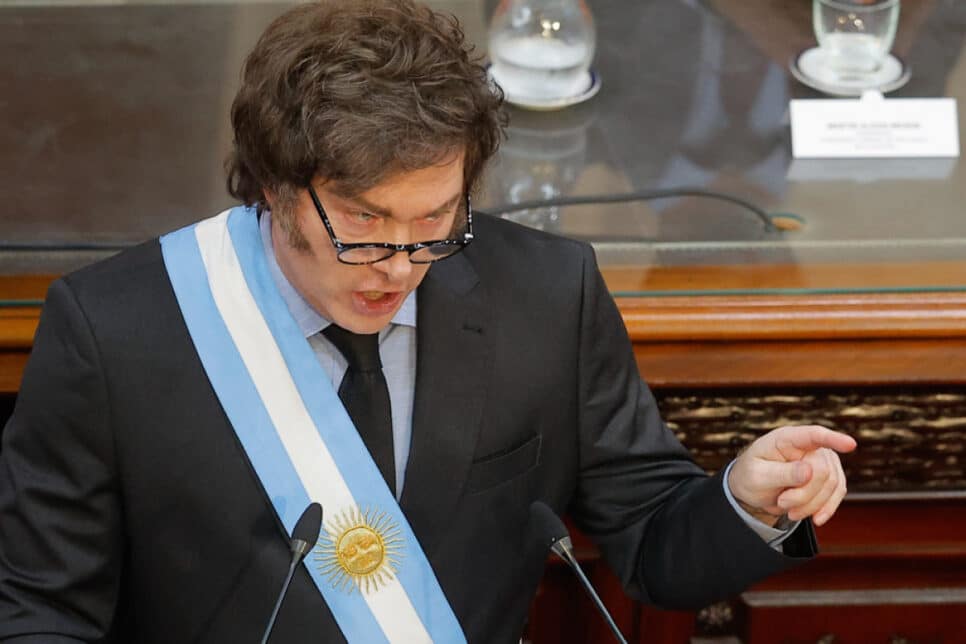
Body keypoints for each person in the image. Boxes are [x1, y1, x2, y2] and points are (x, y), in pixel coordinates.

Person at [0, 1, 856, 642]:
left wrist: (745, 502)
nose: (401, 265)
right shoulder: (114, 332)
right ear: (273, 186)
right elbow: (41, 609)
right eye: (364, 222)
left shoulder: (548, 296)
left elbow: (653, 541)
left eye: (436, 219)